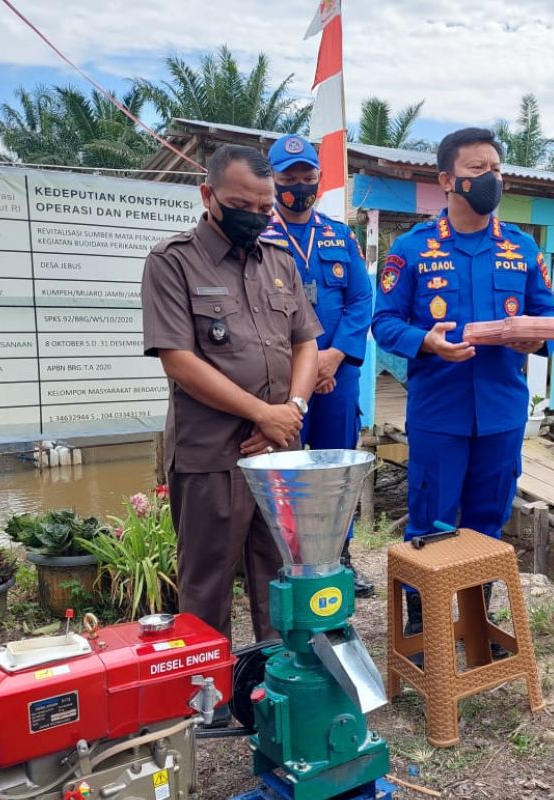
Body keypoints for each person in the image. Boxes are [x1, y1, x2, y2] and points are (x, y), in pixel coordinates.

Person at [372, 127, 554, 647]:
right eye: (479, 170)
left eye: (497, 169)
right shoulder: (412, 249)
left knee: (488, 519)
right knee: (431, 518)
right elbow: (384, 322)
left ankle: (478, 621)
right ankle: (422, 622)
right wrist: (426, 342)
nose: (491, 179)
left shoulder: (521, 249)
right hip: (440, 412)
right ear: (447, 180)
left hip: (501, 410)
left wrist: (533, 338)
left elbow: (550, 317)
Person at [141, 144, 322, 643]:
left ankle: (274, 678)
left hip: (278, 450)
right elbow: (178, 360)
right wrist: (263, 413)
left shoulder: (279, 262)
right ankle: (208, 696)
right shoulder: (172, 263)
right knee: (207, 580)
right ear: (208, 194)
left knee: (280, 572)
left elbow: (306, 341)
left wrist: (292, 409)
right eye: (242, 207)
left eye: (265, 208)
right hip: (213, 454)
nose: (256, 218)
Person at [261, 134, 376, 598]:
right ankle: (286, 561)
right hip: (280, 379)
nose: (299, 186)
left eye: (307, 177)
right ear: (273, 180)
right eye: (289, 178)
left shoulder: (339, 235)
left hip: (337, 374)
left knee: (336, 468)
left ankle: (338, 559)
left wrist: (333, 357)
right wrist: (304, 367)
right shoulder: (259, 235)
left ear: (319, 179)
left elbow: (361, 298)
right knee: (284, 469)